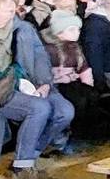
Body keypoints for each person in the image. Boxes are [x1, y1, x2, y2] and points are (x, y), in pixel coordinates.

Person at [0, 0, 75, 179]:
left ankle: (28, 156)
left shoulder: (23, 28)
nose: (13, 12)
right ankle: (22, 168)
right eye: (8, 9)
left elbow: (40, 56)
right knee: (39, 108)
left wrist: (44, 83)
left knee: (65, 111)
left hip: (28, 83)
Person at [42, 9, 100, 141]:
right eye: (71, 30)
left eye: (77, 30)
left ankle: (84, 133)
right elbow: (44, 70)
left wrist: (88, 84)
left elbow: (83, 67)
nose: (77, 33)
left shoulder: (75, 47)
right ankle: (70, 133)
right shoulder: (49, 49)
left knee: (92, 96)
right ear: (59, 33)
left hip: (73, 81)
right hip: (56, 84)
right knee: (77, 101)